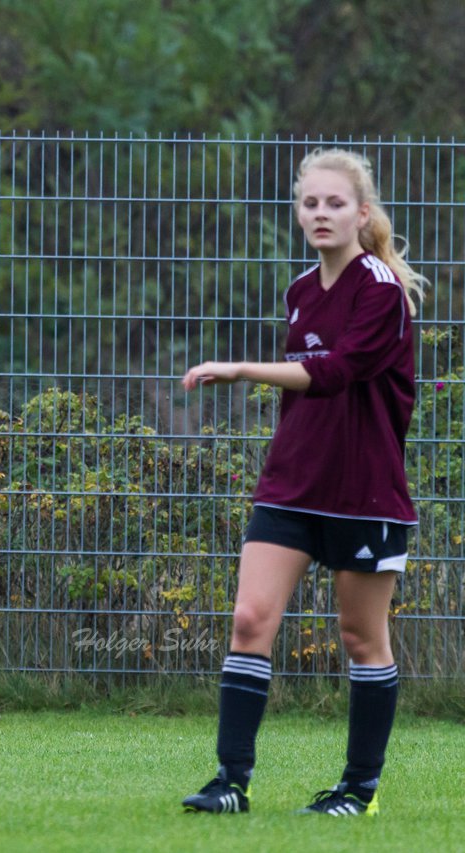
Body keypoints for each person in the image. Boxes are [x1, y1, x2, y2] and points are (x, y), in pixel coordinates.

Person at [179, 148, 426, 816]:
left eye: (335, 203)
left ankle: (359, 790)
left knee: (359, 639)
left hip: (365, 494)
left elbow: (336, 374)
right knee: (250, 617)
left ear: (361, 213)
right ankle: (231, 782)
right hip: (291, 484)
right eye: (311, 203)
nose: (321, 213)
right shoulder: (299, 291)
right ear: (299, 212)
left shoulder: (379, 290)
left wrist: (240, 369)